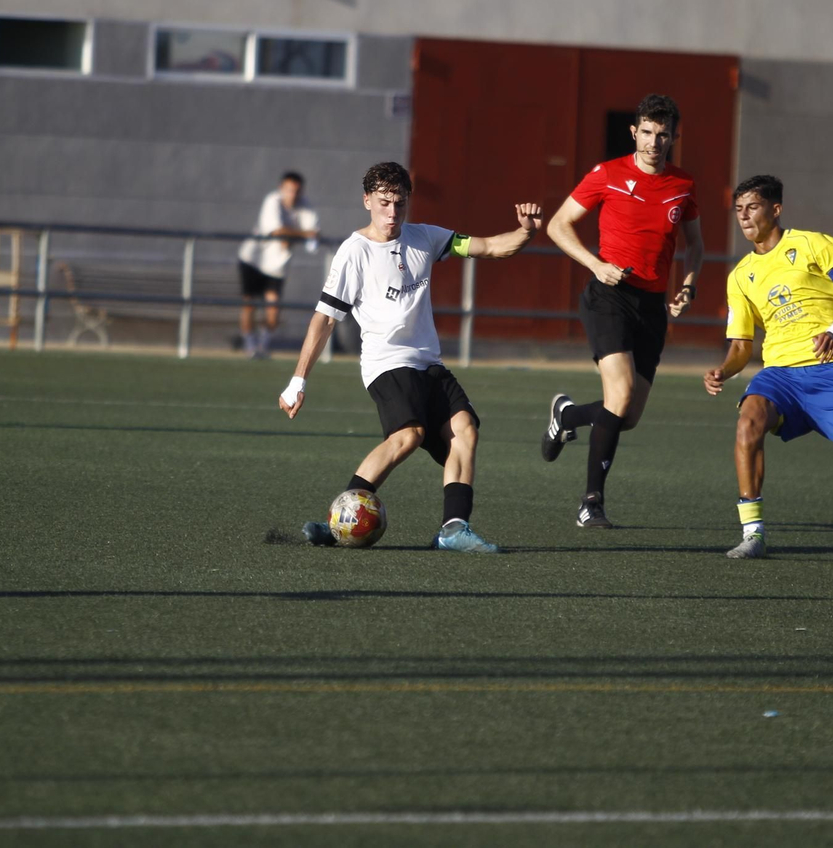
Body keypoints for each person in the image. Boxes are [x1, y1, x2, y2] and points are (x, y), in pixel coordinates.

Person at [278, 161, 542, 553]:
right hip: (386, 363)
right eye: (384, 202)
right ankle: (338, 522)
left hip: (428, 363)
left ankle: (453, 529)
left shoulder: (426, 237)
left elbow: (489, 247)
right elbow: (325, 319)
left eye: (400, 203)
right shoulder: (354, 251)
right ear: (367, 201)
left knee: (465, 430)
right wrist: (298, 379)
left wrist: (525, 232)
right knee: (409, 435)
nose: (392, 212)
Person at [703, 176, 833, 558]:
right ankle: (753, 533)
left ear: (776, 209)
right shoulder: (740, 276)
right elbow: (740, 346)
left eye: (752, 207)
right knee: (748, 422)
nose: (744, 216)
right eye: (738, 209)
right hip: (780, 374)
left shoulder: (813, 244)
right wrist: (724, 369)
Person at [540, 93, 704, 528]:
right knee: (621, 395)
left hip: (652, 306)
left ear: (674, 137)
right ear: (634, 132)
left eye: (663, 134)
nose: (654, 142)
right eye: (647, 132)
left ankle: (568, 415)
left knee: (626, 416)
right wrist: (596, 264)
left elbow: (696, 246)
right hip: (608, 296)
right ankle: (591, 502)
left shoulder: (684, 184)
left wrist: (688, 286)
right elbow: (557, 225)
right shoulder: (608, 174)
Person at [236, 171, 319, 359]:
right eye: (289, 190)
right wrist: (303, 234)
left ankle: (262, 347)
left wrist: (302, 235)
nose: (292, 195)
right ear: (281, 189)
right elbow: (277, 231)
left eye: (296, 191)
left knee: (273, 311)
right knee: (249, 305)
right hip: (253, 260)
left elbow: (314, 233)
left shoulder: (305, 206)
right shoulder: (272, 201)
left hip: (277, 267)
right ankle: (250, 346)